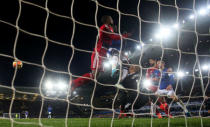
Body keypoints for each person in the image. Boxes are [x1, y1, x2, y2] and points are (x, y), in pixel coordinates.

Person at [70, 15, 130, 91]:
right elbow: (113, 37)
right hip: (98, 53)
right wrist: (124, 36)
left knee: (95, 76)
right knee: (94, 74)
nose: (112, 19)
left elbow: (113, 39)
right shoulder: (104, 28)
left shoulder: (110, 28)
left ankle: (75, 84)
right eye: (110, 18)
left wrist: (118, 34)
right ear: (107, 20)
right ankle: (74, 83)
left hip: (105, 53)